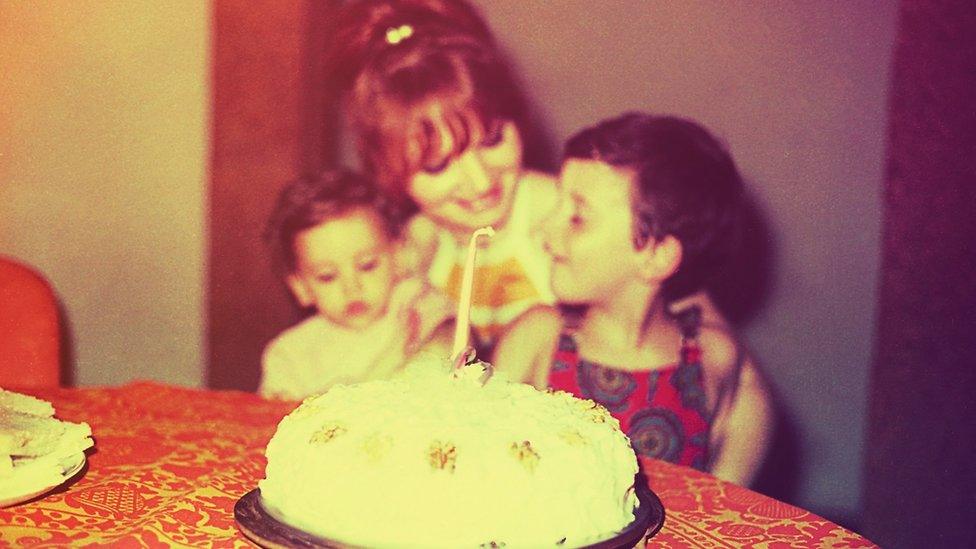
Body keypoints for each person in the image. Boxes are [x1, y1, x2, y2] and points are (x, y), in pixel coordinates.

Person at [494, 113, 773, 486]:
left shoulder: (712, 357)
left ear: (656, 255)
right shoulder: (537, 339)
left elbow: (725, 497)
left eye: (577, 217)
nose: (543, 229)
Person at [327, 0, 559, 354]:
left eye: (493, 140)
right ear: (389, 174)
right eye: (438, 166)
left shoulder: (560, 215)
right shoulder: (412, 248)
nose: (480, 182)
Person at [259, 169, 453, 400]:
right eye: (327, 276)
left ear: (398, 257)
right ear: (301, 287)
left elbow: (450, 341)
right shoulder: (289, 355)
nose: (352, 288)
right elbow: (275, 422)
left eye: (367, 266)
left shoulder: (413, 303)